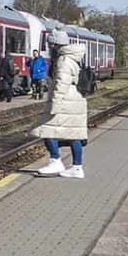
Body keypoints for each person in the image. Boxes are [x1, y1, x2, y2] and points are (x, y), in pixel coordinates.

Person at [34, 30, 88, 178]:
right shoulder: (73, 57)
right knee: (74, 133)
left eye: (50, 45)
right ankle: (77, 168)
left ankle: (55, 161)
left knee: (46, 129)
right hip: (75, 99)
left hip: (65, 101)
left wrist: (55, 104)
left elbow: (61, 84)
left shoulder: (63, 60)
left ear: (54, 45)